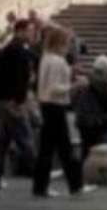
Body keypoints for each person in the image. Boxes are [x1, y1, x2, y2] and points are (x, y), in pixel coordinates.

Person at [32, 25, 91, 198]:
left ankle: (40, 187)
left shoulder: (46, 58)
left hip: (46, 105)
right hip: (55, 106)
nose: (70, 45)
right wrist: (75, 85)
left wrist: (70, 73)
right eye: (68, 42)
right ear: (61, 42)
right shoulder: (58, 61)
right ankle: (76, 185)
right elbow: (55, 88)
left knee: (47, 149)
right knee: (63, 149)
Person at [0, 19, 39, 190]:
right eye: (30, 31)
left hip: (2, 99)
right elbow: (18, 78)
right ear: (20, 31)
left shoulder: (12, 48)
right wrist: (18, 101)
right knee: (25, 138)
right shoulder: (17, 50)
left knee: (3, 141)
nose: (32, 34)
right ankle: (40, 175)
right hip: (11, 101)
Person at [74, 55, 107, 160]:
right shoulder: (101, 82)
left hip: (84, 119)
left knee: (86, 148)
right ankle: (90, 170)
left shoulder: (92, 78)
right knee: (93, 147)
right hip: (95, 121)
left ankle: (83, 170)